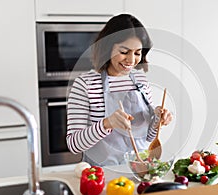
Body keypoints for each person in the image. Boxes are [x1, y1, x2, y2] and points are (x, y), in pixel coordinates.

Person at [66, 14, 173, 166]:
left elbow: (147, 138)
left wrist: (158, 119)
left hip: (140, 170)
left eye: (137, 53)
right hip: (102, 175)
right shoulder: (85, 84)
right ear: (107, 48)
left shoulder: (141, 82)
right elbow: (74, 145)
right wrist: (106, 123)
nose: (131, 60)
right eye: (124, 52)